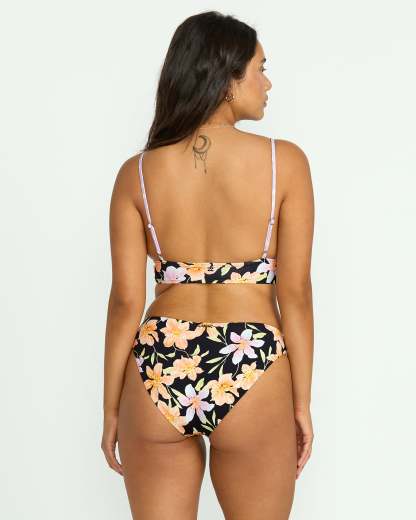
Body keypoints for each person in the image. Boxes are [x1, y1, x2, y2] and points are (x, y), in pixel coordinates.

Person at [101, 10, 314, 520]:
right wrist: (301, 404)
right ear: (226, 79)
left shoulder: (137, 173)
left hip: (158, 362)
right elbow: (296, 295)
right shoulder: (284, 163)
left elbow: (126, 302)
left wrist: (110, 409)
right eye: (260, 68)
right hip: (252, 359)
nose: (267, 83)